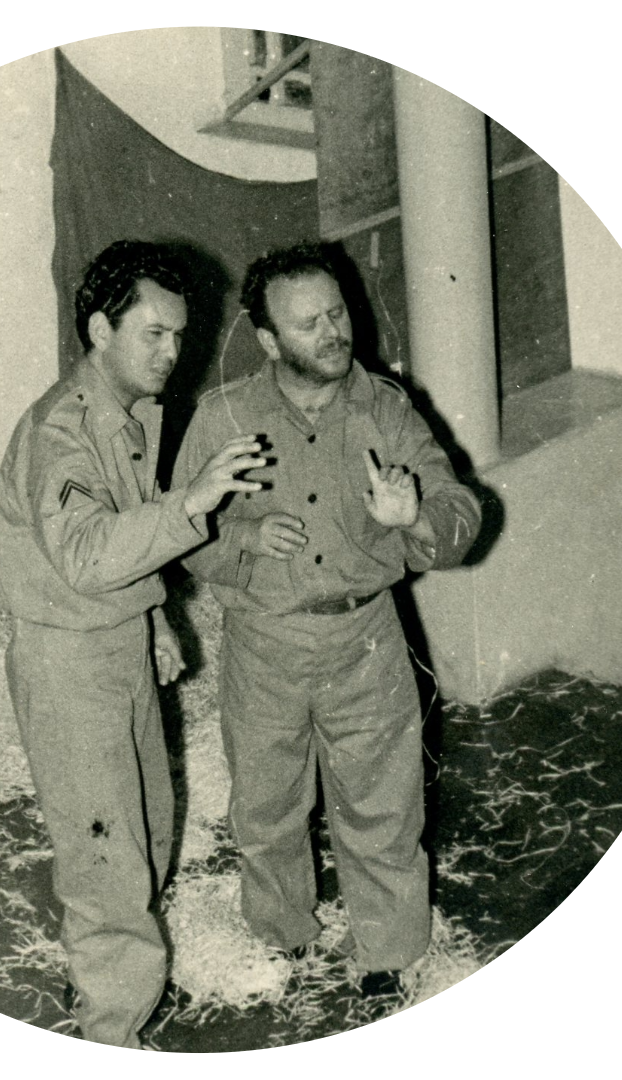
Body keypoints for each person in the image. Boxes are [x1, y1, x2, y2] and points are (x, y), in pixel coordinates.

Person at [171, 242, 481, 997]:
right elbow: (180, 533)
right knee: (267, 806)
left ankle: (390, 952)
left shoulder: (387, 409)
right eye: (307, 324)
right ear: (269, 340)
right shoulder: (224, 416)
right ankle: (282, 936)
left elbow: (463, 514)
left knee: (384, 805)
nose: (332, 332)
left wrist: (416, 517)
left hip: (366, 640)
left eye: (337, 313)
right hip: (263, 646)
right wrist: (244, 540)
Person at [0, 240, 266, 1048]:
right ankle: (113, 1030)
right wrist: (194, 501)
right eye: (153, 334)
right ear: (100, 330)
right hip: (68, 662)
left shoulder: (132, 410)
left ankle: (112, 976)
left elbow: (124, 539)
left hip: (116, 640)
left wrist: (155, 620)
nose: (172, 353)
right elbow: (85, 553)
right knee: (105, 860)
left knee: (146, 825)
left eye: (179, 335)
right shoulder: (62, 432)